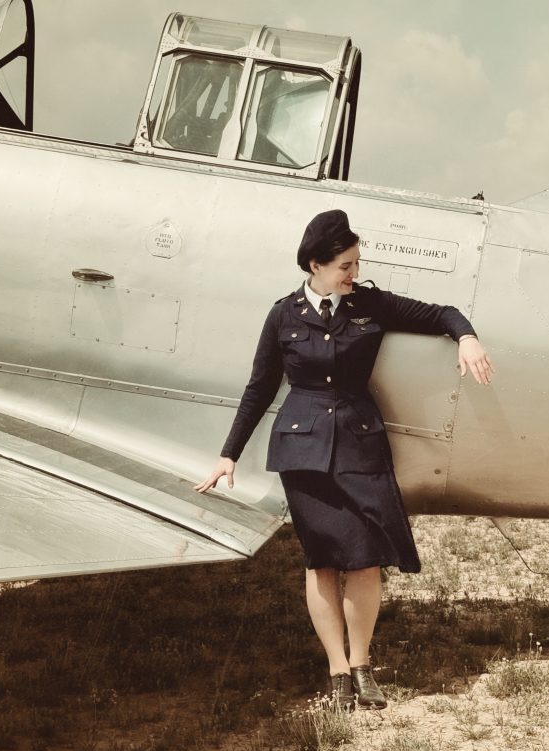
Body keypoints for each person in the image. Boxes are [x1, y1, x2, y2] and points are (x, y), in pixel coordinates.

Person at [196, 209, 494, 711]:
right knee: (322, 561)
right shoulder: (283, 314)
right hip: (303, 450)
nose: (353, 274)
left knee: (365, 560)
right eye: (344, 266)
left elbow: (441, 313)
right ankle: (337, 670)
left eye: (356, 264)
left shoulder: (370, 304)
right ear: (316, 265)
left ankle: (362, 664)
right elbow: (261, 387)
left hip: (360, 445)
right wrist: (229, 454)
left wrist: (467, 337)